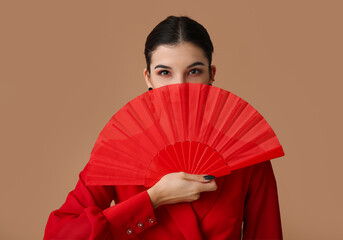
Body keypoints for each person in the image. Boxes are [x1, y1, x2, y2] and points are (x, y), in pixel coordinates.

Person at [44, 15, 283, 240]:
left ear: (211, 75)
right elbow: (59, 235)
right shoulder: (119, 152)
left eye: (194, 71)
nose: (179, 86)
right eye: (165, 73)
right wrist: (153, 198)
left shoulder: (247, 156)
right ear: (148, 78)